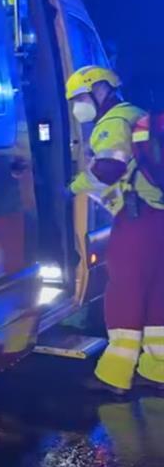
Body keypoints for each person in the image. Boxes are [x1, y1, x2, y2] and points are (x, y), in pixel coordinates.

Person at [66, 66, 164, 395]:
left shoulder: (111, 122)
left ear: (100, 89)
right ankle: (157, 368)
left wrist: (71, 188)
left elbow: (109, 168)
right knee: (156, 294)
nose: (79, 105)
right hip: (158, 217)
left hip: (137, 220)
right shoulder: (137, 113)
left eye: (80, 97)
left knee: (125, 291)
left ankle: (114, 374)